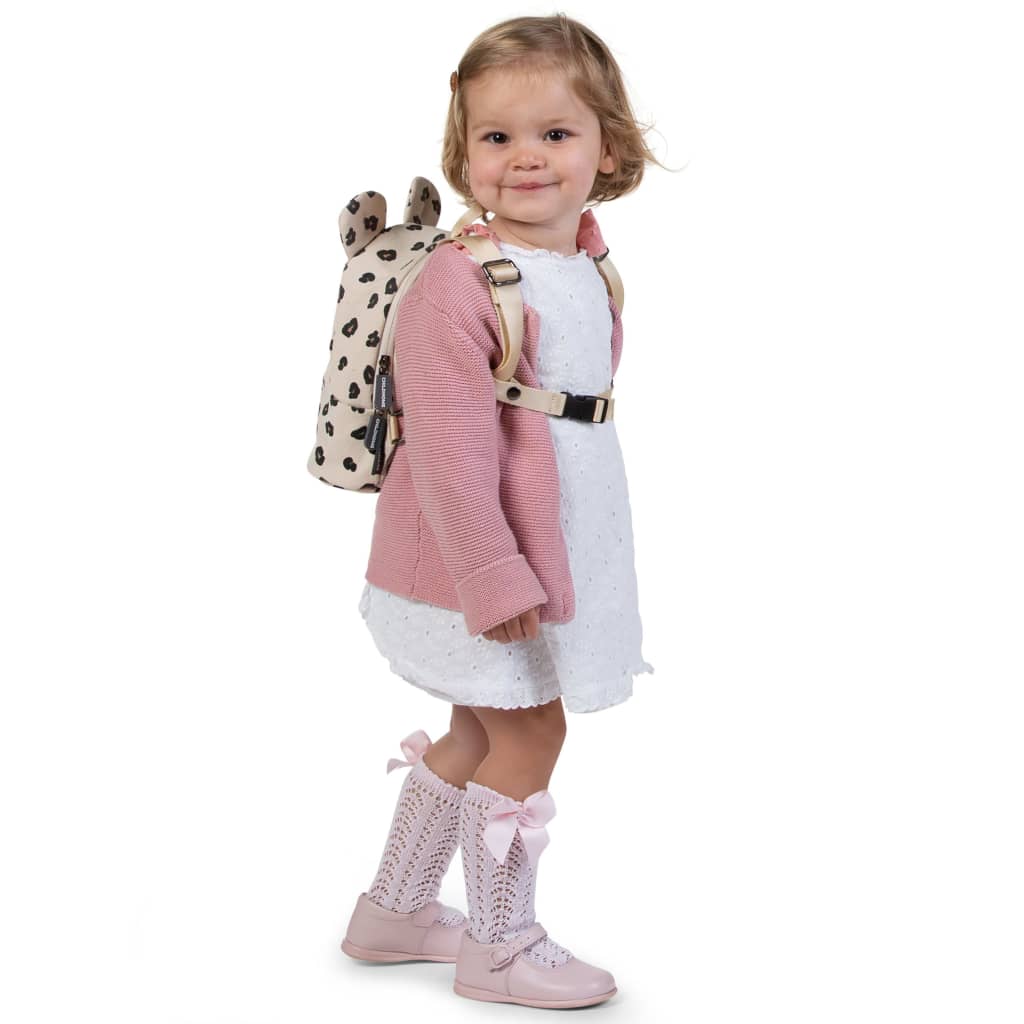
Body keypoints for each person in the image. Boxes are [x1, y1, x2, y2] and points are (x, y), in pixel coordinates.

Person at [341, 13, 667, 1009]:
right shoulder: (459, 281)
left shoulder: (585, 264)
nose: (525, 156)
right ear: (464, 152)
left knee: (478, 734)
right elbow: (449, 451)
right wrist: (492, 574)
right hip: (466, 563)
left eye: (554, 133)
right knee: (528, 737)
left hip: (541, 549)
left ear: (606, 148)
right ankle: (497, 943)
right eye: (496, 136)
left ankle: (394, 913)